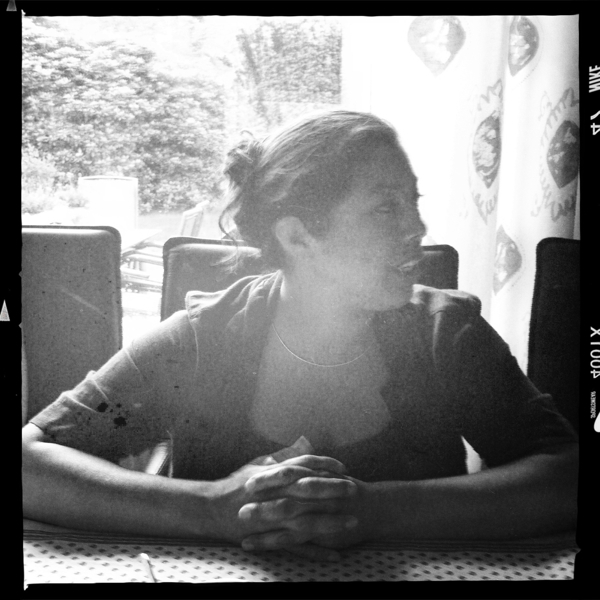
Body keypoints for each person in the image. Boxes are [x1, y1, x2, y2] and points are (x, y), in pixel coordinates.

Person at [22, 110, 578, 560]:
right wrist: (210, 508)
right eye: (385, 208)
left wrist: (372, 511)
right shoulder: (199, 343)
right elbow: (31, 463)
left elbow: (566, 475)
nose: (417, 228)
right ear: (298, 236)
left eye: (413, 202)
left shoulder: (446, 337)